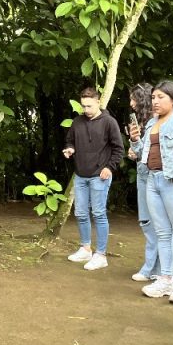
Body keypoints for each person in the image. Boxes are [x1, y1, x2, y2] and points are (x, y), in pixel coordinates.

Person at [132, 81, 173, 305]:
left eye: (160, 97)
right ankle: (166, 279)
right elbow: (142, 151)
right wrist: (134, 139)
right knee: (162, 232)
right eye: (153, 97)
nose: (155, 101)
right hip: (153, 180)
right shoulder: (152, 122)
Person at [63, 87, 124, 271]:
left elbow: (118, 149)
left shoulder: (109, 122)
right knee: (81, 213)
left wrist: (109, 167)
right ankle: (86, 248)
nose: (86, 110)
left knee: (98, 214)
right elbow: (69, 141)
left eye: (89, 106)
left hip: (100, 176)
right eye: (83, 106)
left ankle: (101, 255)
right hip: (80, 175)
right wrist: (69, 149)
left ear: (98, 102)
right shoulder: (77, 122)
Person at [126, 83, 159, 282]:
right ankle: (152, 266)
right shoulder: (141, 123)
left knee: (157, 223)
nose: (131, 104)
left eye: (133, 99)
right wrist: (134, 143)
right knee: (147, 221)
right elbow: (141, 154)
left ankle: (154, 268)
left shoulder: (158, 122)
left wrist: (137, 148)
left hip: (155, 177)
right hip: (142, 174)